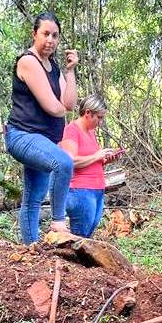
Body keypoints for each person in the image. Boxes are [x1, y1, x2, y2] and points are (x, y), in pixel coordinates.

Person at [5, 12, 78, 245]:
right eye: (46, 34)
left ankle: (30, 249)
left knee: (34, 198)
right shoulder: (28, 61)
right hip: (22, 136)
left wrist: (70, 71)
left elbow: (69, 103)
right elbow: (53, 107)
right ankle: (58, 222)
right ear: (34, 34)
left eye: (55, 35)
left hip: (42, 140)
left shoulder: (54, 67)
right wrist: (62, 109)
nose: (50, 40)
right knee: (63, 163)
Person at [59, 95, 122, 238]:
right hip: (80, 190)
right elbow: (70, 161)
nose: (100, 122)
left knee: (88, 234)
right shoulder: (72, 130)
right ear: (88, 113)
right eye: (98, 118)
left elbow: (91, 161)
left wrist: (106, 159)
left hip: (97, 189)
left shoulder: (91, 132)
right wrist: (97, 156)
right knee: (80, 237)